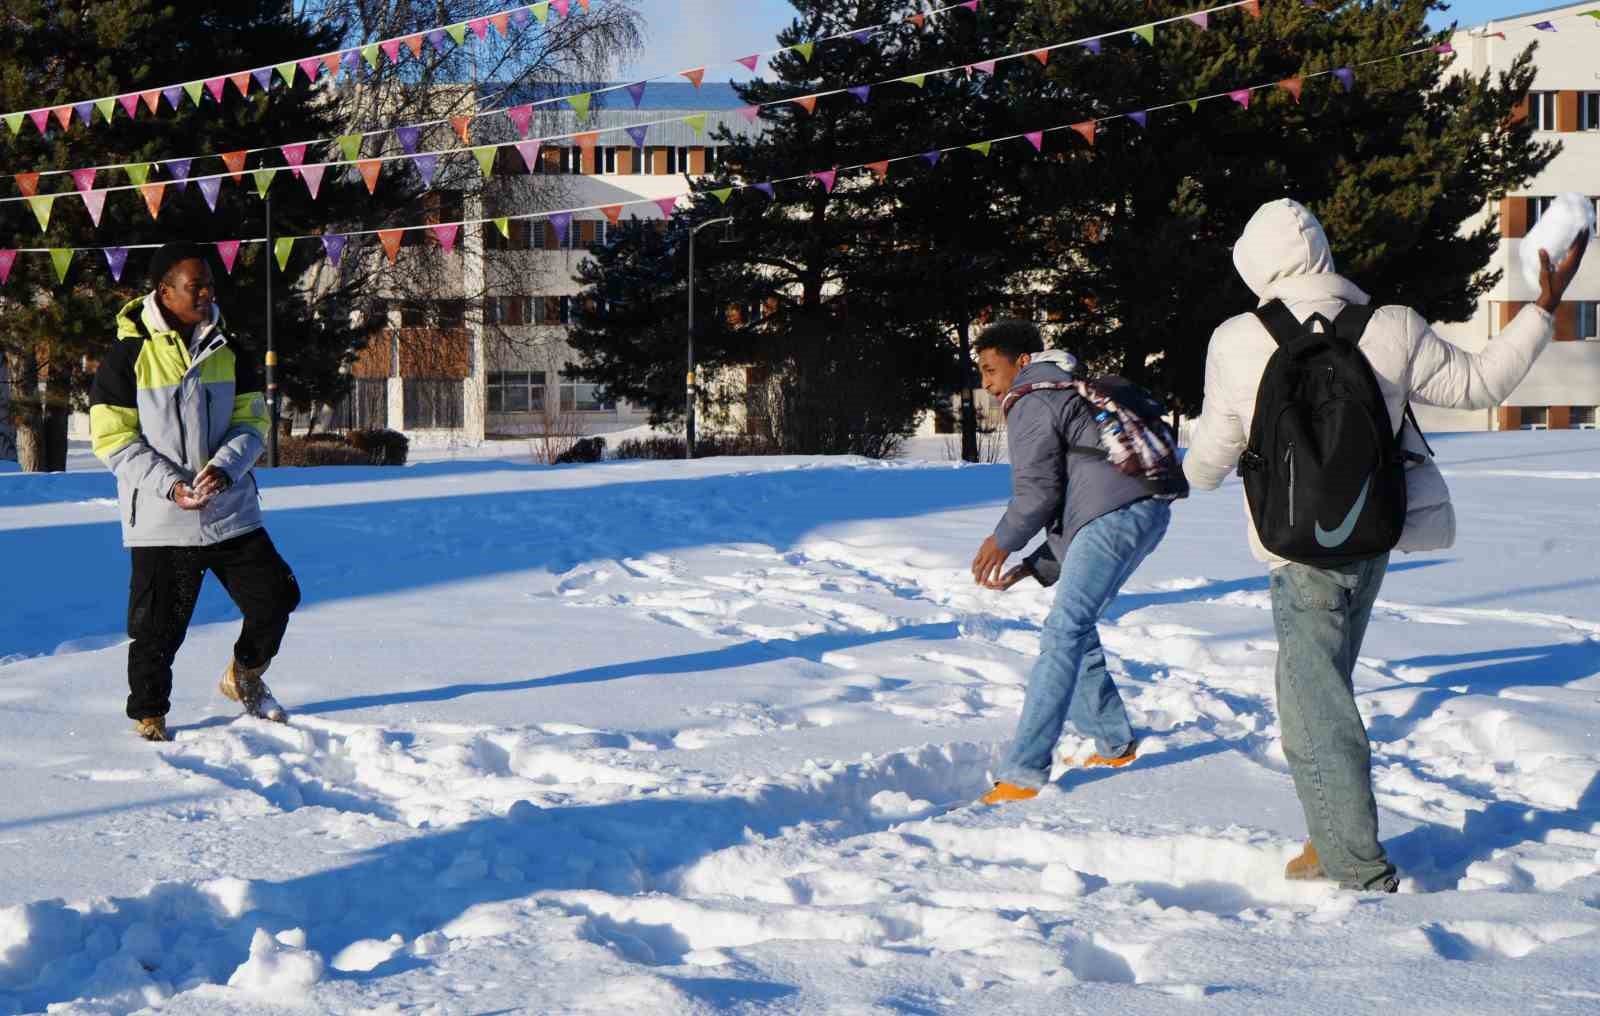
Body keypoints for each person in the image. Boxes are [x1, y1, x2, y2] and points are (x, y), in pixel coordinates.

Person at [1184, 198, 1586, 891]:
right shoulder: (1391, 325)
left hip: (1296, 552)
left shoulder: (1236, 338)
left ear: (1255, 264)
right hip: (1371, 538)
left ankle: (1356, 868)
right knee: (1321, 695)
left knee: (1314, 711)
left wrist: (1198, 461)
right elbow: (1484, 383)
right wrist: (1544, 308)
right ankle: (1330, 837)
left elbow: (1208, 464)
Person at [89, 243, 301, 742]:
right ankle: (149, 715)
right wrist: (172, 485)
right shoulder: (127, 356)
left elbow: (253, 422)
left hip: (230, 512)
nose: (207, 293)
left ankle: (244, 674)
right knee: (157, 630)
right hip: (163, 519)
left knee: (277, 597)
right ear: (164, 291)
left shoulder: (228, 346)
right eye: (195, 286)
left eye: (209, 284)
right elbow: (113, 439)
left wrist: (225, 470)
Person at [970, 321, 1188, 805]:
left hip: (1115, 514)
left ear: (1021, 361)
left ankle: (1022, 774)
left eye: (990, 368)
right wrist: (1037, 565)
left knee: (1063, 631)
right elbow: (1080, 495)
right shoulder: (1069, 389)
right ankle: (1114, 743)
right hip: (1144, 510)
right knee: (1076, 625)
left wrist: (1000, 541)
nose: (985, 382)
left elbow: (1039, 494)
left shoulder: (1031, 397)